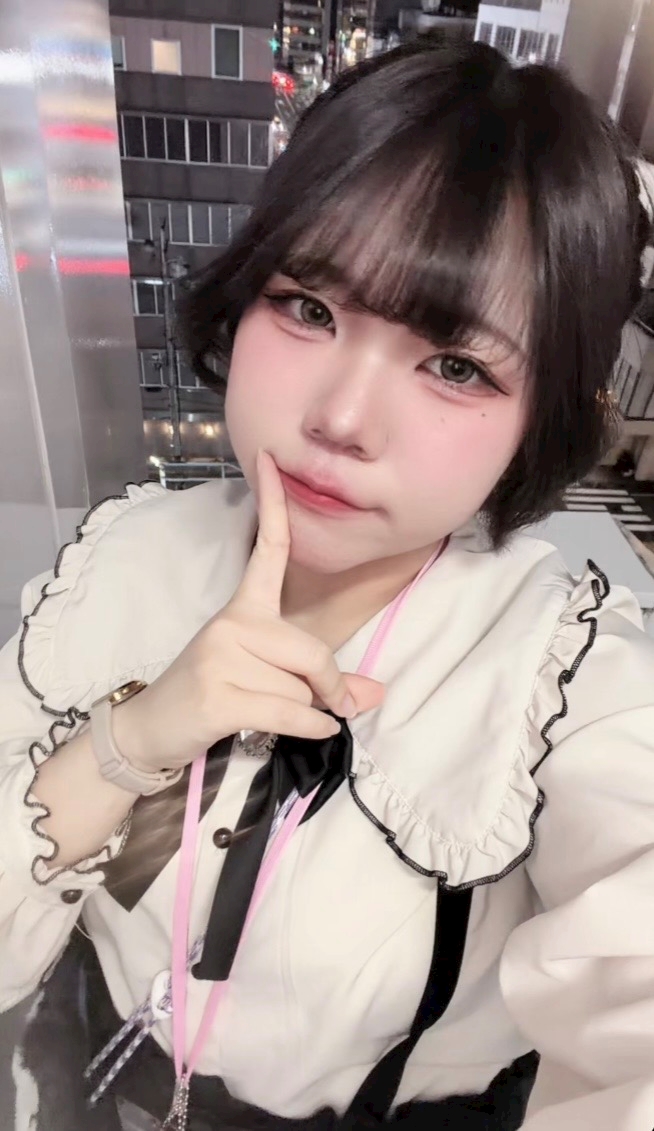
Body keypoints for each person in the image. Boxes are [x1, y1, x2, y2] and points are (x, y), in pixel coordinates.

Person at [1, 38, 654, 1131]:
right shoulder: (123, 561)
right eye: (309, 308)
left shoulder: (561, 681)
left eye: (455, 366)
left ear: (541, 418)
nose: (341, 419)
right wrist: (132, 739)